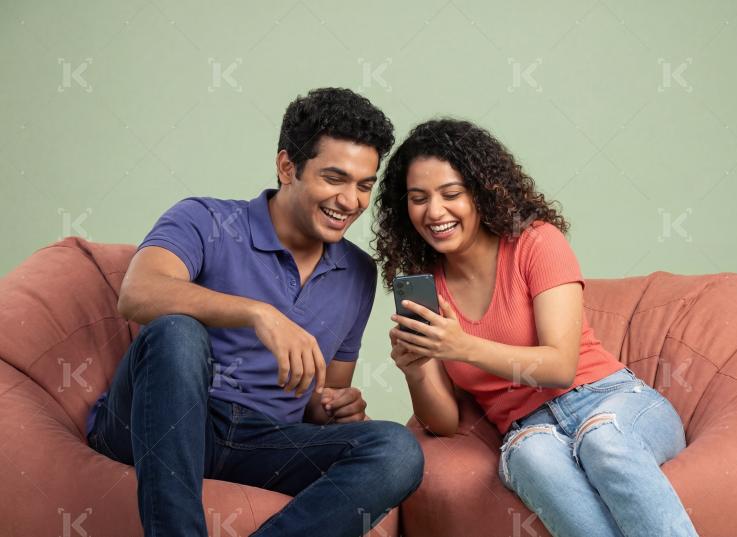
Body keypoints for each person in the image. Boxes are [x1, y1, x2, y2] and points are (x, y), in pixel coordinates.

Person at [86, 87, 424, 537]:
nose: (350, 201)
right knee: (177, 332)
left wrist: (332, 408)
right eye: (335, 178)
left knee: (397, 450)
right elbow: (138, 292)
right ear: (287, 166)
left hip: (263, 441)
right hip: (165, 421)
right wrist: (259, 313)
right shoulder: (206, 220)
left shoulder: (358, 273)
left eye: (364, 185)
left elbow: (321, 398)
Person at [373, 118, 698, 537]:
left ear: (481, 192)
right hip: (529, 429)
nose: (434, 212)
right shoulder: (428, 288)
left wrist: (460, 345)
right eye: (418, 199)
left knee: (601, 440)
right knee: (530, 456)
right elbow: (445, 424)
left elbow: (560, 366)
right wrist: (416, 368)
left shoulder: (535, 243)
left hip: (609, 401)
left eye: (451, 194)